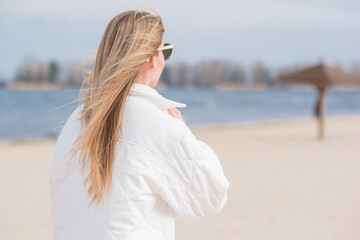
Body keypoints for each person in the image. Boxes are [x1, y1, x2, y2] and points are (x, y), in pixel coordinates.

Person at [49, 8, 230, 240]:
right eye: (167, 52)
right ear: (153, 59)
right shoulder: (157, 123)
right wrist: (183, 132)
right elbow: (212, 197)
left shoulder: (76, 120)